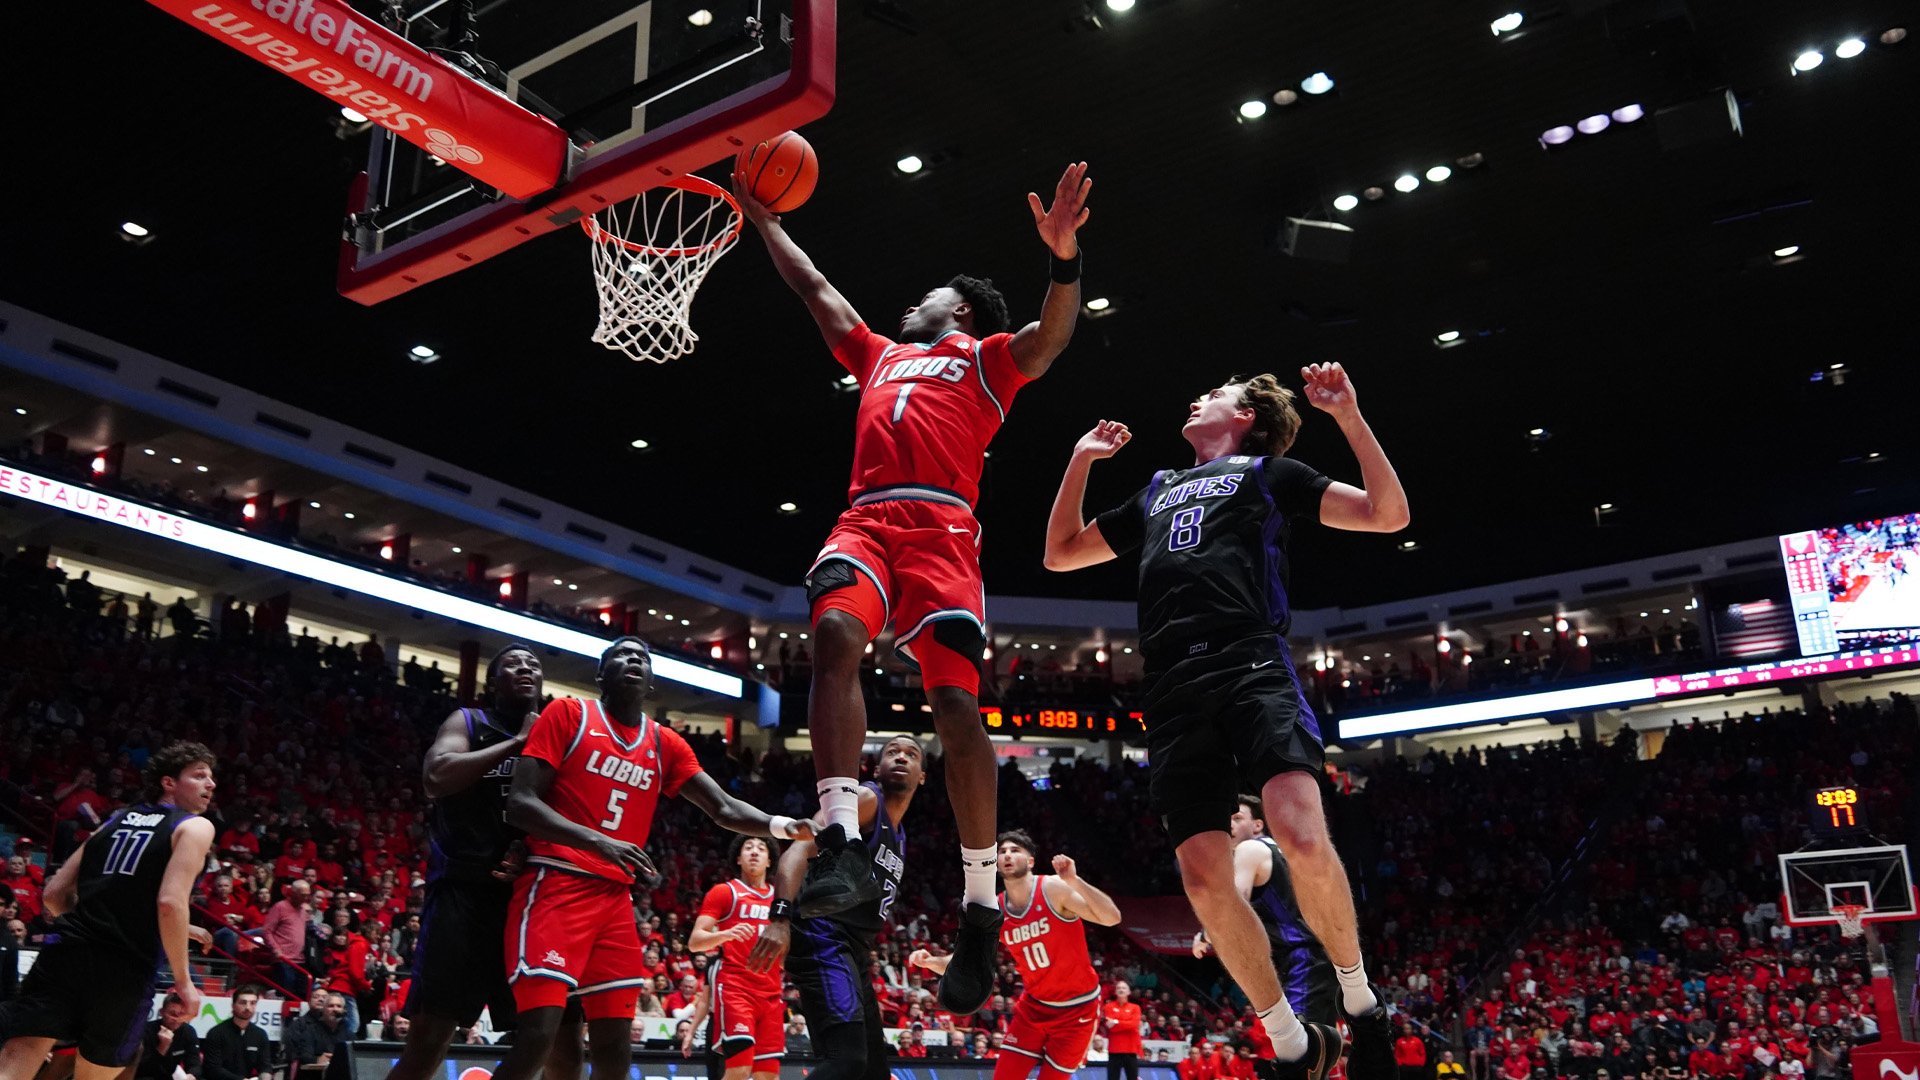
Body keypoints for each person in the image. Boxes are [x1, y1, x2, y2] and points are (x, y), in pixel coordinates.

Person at [736, 161, 1093, 1014]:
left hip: (941, 531)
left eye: (926, 295)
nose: (909, 305)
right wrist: (762, 218)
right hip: (865, 520)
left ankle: (978, 906)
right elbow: (816, 288)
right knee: (828, 638)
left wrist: (1064, 259)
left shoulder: (984, 359)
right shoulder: (879, 354)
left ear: (960, 311)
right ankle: (836, 837)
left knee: (956, 710)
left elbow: (1051, 337)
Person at [1042, 364, 1411, 1080]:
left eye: (1212, 393)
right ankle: (1290, 1040)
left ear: (1245, 416)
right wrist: (1079, 461)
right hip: (1173, 683)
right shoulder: (1156, 488)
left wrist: (1350, 418)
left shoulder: (1271, 474)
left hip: (1249, 659)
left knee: (1300, 833)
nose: (1195, 395)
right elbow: (1060, 554)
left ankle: (1363, 1004)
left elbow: (1388, 514)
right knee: (1204, 880)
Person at [489, 637, 812, 1080]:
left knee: (615, 1052)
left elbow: (723, 808)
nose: (633, 661)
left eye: (642, 657)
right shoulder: (568, 713)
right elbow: (521, 803)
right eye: (621, 655)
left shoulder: (665, 744)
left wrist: (782, 826)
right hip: (555, 883)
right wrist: (599, 841)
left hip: (614, 901)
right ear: (601, 675)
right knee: (536, 1039)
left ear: (652, 683)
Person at [385, 645, 583, 1080]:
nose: (526, 668)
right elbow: (436, 777)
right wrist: (517, 743)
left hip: (534, 897)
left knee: (564, 1041)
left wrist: (530, 850)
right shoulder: (468, 722)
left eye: (534, 665)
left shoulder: (562, 737)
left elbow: (572, 812)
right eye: (513, 664)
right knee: (430, 1038)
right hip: (464, 895)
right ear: (493, 683)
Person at [0, 742, 218, 1080]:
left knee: (15, 1064)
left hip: (65, 954)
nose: (211, 784)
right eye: (199, 775)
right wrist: (184, 982)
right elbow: (169, 903)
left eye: (211, 777)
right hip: (124, 968)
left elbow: (55, 895)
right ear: (169, 782)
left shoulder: (113, 821)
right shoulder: (194, 827)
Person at [748, 737, 925, 1080]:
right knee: (847, 1062)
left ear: (922, 776)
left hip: (852, 951)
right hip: (822, 935)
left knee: (873, 1071)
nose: (901, 757)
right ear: (877, 768)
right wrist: (780, 916)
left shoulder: (900, 835)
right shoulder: (866, 800)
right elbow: (798, 850)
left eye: (911, 754)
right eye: (892, 752)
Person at [909, 831, 1121, 1080]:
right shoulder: (996, 908)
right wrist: (930, 961)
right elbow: (969, 961)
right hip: (1033, 1008)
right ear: (996, 863)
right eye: (1002, 851)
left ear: (1030, 861)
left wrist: (1075, 881)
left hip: (1077, 1010)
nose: (1007, 854)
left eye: (1015, 850)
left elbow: (1112, 917)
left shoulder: (1053, 889)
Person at [1192, 796, 1336, 1026]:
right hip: (1321, 956)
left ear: (1258, 825)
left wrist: (1205, 935)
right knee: (1321, 1050)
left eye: (1237, 818)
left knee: (1301, 1051)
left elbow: (1235, 908)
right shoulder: (1282, 850)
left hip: (1301, 959)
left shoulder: (1250, 849)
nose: (1229, 824)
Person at [688, 835, 786, 1080]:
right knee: (739, 1071)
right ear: (738, 859)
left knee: (768, 1076)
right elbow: (694, 942)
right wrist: (726, 934)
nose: (754, 852)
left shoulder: (780, 901)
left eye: (761, 848)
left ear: (769, 860)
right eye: (748, 848)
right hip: (736, 989)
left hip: (772, 993)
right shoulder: (724, 892)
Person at [202, 985, 275, 1080]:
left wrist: (266, 1076)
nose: (248, 1007)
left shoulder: (260, 1034)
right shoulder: (216, 1033)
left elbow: (265, 1065)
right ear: (233, 1005)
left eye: (252, 1003)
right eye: (243, 1003)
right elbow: (213, 1069)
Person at [284, 988, 350, 1080]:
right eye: (331, 1006)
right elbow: (304, 1055)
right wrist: (318, 1059)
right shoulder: (311, 1029)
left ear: (343, 1010)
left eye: (339, 1006)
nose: (335, 1009)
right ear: (323, 1010)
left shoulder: (347, 1031)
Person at [134, 993, 203, 1080]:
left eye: (181, 1014)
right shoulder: (147, 1030)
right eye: (172, 1014)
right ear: (162, 1012)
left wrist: (192, 1075)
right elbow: (143, 1069)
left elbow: (194, 1063)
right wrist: (162, 1047)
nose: (176, 1019)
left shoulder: (188, 1031)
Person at [1103, 982, 1146, 1080]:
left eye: (1124, 988)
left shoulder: (1135, 1007)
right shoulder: (1108, 1007)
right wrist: (1126, 1024)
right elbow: (1111, 1028)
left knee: (1132, 1077)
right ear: (1115, 991)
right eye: (1118, 988)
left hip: (1130, 1049)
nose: (1121, 990)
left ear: (1129, 992)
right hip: (1115, 1049)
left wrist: (1116, 1021)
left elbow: (1134, 1024)